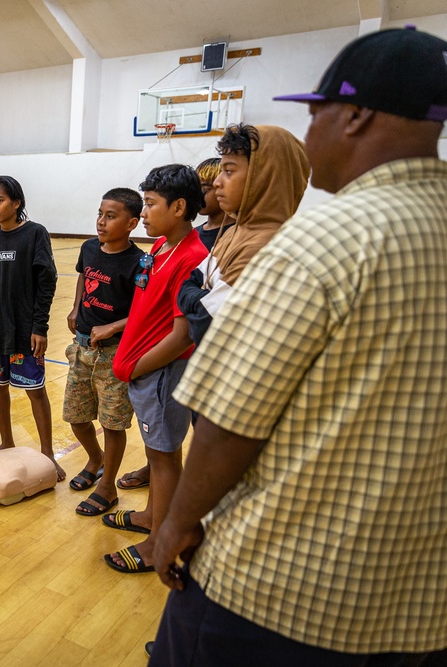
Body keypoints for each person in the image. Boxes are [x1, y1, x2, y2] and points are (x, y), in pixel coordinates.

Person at [150, 26, 447, 665]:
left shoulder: (326, 241)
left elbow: (231, 420)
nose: (311, 138)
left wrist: (175, 522)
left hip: (286, 587)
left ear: (356, 114)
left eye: (315, 113)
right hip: (419, 598)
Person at [103, 165, 206, 574]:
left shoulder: (192, 258)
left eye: (150, 204)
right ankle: (151, 515)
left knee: (164, 457)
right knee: (155, 451)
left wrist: (134, 366)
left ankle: (156, 543)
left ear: (179, 207)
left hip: (160, 374)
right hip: (144, 372)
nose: (143, 213)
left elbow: (182, 336)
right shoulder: (162, 245)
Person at [177, 124, 311, 347]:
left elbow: (206, 325)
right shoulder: (235, 233)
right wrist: (201, 298)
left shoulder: (266, 245)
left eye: (228, 171)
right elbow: (188, 284)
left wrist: (198, 298)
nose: (218, 181)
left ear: (264, 177)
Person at [0, 175, 64, 481]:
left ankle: (48, 453)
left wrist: (40, 326)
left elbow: (47, 282)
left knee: (35, 392)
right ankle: (7, 443)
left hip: (26, 331)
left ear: (17, 202)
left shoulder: (35, 234)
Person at [62, 188, 145, 519]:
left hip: (114, 354)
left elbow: (143, 310)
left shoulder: (139, 262)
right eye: (100, 214)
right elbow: (84, 275)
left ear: (132, 223)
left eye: (111, 216)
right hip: (81, 348)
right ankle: (95, 459)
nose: (101, 221)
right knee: (77, 418)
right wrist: (73, 306)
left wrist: (112, 328)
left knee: (112, 423)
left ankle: (108, 485)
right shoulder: (89, 248)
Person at [193, 158, 230, 252]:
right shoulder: (194, 234)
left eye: (206, 189)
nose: (199, 195)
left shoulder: (234, 235)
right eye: (197, 188)